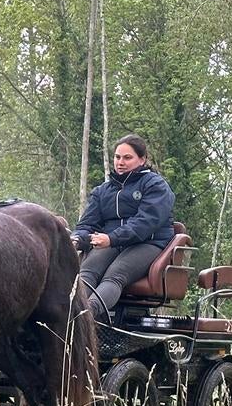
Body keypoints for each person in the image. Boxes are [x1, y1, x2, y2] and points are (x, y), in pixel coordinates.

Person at [71, 134, 175, 320]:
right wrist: (78, 238)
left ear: (142, 160)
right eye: (117, 157)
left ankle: (86, 316)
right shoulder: (103, 191)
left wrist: (110, 239)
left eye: (127, 158)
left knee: (115, 275)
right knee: (87, 270)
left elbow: (145, 223)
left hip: (148, 243)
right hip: (111, 242)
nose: (121, 162)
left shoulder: (155, 185)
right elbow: (88, 223)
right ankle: (69, 313)